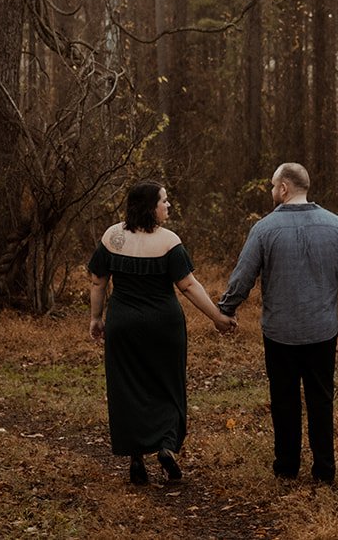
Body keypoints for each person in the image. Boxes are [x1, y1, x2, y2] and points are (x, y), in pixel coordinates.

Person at [218, 162, 338, 485]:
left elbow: (243, 276)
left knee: (284, 399)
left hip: (280, 333)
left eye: (273, 186)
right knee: (321, 399)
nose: (272, 192)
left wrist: (226, 310)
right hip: (321, 331)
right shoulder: (336, 226)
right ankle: (324, 470)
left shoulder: (264, 229)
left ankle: (286, 467)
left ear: (284, 188)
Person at [88, 180, 236, 485]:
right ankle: (167, 447)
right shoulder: (169, 242)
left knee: (128, 387)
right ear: (149, 207)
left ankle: (136, 457)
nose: (168, 206)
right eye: (164, 201)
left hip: (124, 324)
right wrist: (217, 318)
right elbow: (189, 286)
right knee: (168, 385)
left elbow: (98, 282)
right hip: (163, 325)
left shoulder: (112, 237)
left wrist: (96, 318)